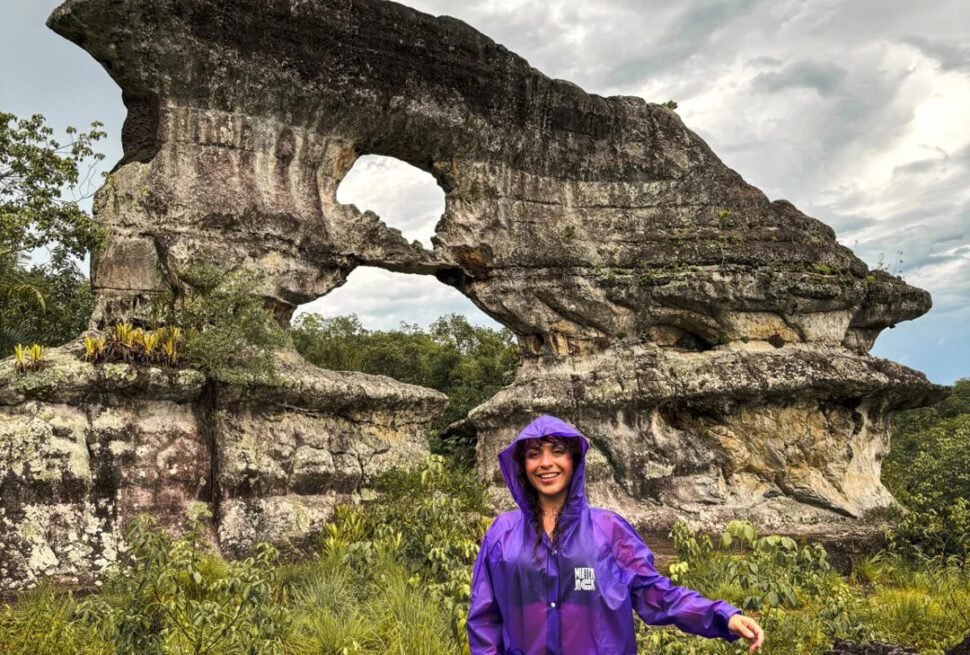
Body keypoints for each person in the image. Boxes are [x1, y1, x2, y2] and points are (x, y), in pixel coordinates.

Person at [467, 415, 765, 655]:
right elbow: (484, 620)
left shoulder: (609, 530)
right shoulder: (502, 534)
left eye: (558, 452)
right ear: (523, 466)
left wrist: (723, 616)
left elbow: (656, 595)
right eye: (534, 454)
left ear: (574, 461)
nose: (546, 463)